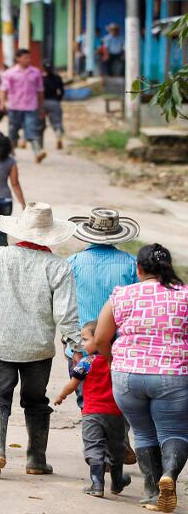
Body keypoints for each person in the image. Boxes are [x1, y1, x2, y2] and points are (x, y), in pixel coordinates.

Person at [0, 202, 82, 480]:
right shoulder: (58, 267)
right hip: (38, 349)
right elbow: (66, 315)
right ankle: (36, 459)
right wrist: (75, 347)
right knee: (36, 401)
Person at [93, 243, 188, 512]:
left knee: (144, 433)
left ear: (138, 269)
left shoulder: (122, 295)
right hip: (172, 374)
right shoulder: (185, 295)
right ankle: (168, 474)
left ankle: (151, 492)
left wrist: (115, 361)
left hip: (127, 376)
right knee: (174, 432)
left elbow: (100, 338)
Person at [66, 208, 139, 410]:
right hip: (119, 346)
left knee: (87, 401)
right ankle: (118, 439)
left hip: (82, 343)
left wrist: (71, 345)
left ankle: (93, 439)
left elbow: (63, 307)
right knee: (119, 401)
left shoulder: (73, 263)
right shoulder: (132, 264)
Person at [54, 321, 132, 498]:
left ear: (100, 339)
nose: (82, 344)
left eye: (85, 340)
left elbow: (73, 384)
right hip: (116, 414)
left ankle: (97, 484)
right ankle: (117, 481)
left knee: (94, 446)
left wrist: (61, 396)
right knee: (116, 448)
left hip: (92, 414)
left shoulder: (86, 362)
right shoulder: (117, 360)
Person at [0, 49, 47, 163]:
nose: (28, 60)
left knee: (32, 129)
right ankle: (10, 153)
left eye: (29, 58)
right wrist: (2, 102)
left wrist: (41, 107)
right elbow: (4, 89)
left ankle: (38, 153)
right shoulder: (9, 73)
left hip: (31, 106)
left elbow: (40, 91)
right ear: (18, 58)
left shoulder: (36, 72)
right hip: (14, 106)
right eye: (25, 58)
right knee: (13, 131)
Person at [42, 62, 65, 150]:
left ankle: (39, 144)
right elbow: (61, 91)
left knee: (39, 124)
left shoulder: (41, 79)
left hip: (42, 102)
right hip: (54, 102)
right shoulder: (57, 78)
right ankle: (58, 135)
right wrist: (58, 99)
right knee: (57, 122)